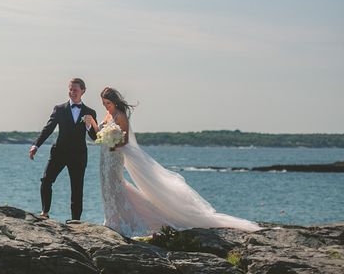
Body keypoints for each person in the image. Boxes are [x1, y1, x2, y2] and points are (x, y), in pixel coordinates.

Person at [84, 86, 260, 237]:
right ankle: (112, 217)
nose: (106, 106)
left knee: (116, 184)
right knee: (105, 185)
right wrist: (92, 123)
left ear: (115, 101)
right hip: (104, 156)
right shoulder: (108, 115)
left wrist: (112, 143)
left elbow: (124, 140)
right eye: (104, 104)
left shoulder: (121, 115)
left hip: (115, 156)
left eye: (108, 103)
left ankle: (119, 220)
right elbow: (100, 133)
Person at [29, 78, 97, 221]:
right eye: (70, 89)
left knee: (77, 189)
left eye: (75, 90)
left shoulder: (90, 112)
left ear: (83, 91)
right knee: (46, 181)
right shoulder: (59, 109)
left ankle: (75, 221)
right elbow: (48, 128)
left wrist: (89, 126)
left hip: (78, 155)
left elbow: (95, 138)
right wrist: (36, 145)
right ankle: (44, 212)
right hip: (59, 152)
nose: (72, 92)